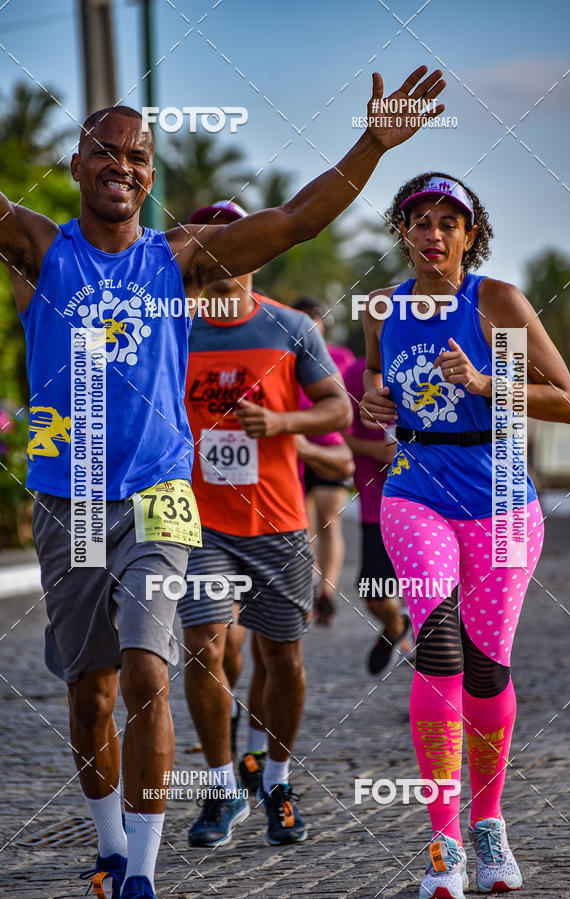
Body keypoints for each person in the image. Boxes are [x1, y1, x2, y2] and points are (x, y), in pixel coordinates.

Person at [0, 66, 445, 899]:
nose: (122, 165)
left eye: (137, 155)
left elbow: (296, 219)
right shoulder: (40, 249)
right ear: (77, 164)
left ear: (150, 173)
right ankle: (106, 842)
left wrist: (373, 143)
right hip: (72, 499)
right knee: (91, 691)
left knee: (147, 672)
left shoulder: (180, 261)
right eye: (105, 151)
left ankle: (141, 868)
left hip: (162, 497)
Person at [360, 173, 570, 899]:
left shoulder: (496, 303)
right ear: (402, 232)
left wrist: (488, 382)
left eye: (447, 221)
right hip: (415, 490)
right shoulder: (382, 308)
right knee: (439, 644)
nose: (433, 233)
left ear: (468, 233)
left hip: (502, 504)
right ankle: (443, 840)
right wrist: (371, 400)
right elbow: (376, 396)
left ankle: (489, 825)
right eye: (419, 220)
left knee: (487, 667)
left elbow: (564, 401)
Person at [179, 200, 352, 850]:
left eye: (241, 238)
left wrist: (282, 424)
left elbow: (338, 407)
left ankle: (275, 779)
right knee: (203, 647)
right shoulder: (174, 329)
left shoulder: (291, 326)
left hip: (277, 523)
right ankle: (222, 788)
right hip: (196, 524)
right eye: (214, 239)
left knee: (282, 657)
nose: (228, 252)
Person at [343, 355, 412, 673]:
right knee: (374, 593)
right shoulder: (355, 374)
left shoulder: (431, 360)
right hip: (378, 504)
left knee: (435, 599)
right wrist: (377, 451)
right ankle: (397, 625)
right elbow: (339, 434)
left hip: (430, 503)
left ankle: (435, 689)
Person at [293, 297, 356, 624]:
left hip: (331, 449)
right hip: (292, 449)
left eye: (314, 320)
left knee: (331, 521)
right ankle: (312, 582)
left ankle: (327, 589)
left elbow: (353, 407)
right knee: (302, 524)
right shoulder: (283, 356)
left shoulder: (342, 357)